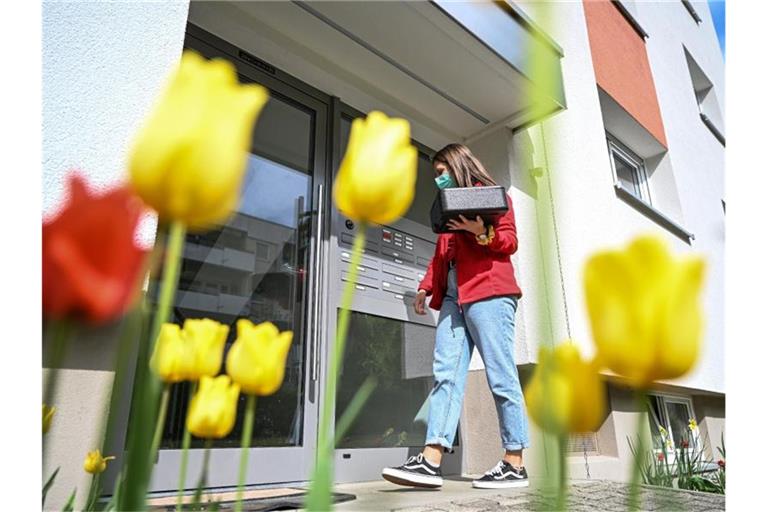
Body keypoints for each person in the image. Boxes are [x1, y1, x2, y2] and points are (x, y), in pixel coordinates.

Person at [381, 143, 529, 490]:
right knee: (445, 374)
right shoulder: (445, 213)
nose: (439, 179)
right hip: (452, 299)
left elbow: (509, 241)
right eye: (436, 174)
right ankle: (432, 460)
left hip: (489, 293)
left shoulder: (492, 197)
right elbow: (440, 259)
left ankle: (515, 461)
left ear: (459, 165)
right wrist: (424, 287)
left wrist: (482, 232)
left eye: (441, 171)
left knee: (501, 375)